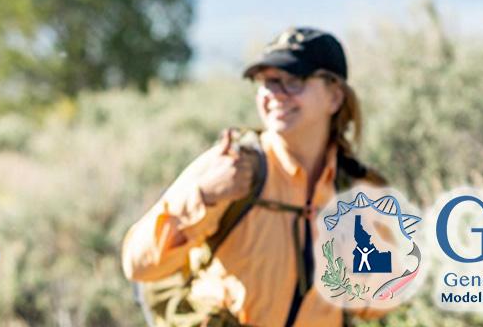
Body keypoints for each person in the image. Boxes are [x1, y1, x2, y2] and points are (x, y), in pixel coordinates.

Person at [121, 27, 388, 326]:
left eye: (293, 81)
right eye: (268, 82)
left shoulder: (354, 191)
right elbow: (137, 264)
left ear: (335, 97)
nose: (275, 95)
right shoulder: (232, 165)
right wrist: (205, 196)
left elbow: (374, 307)